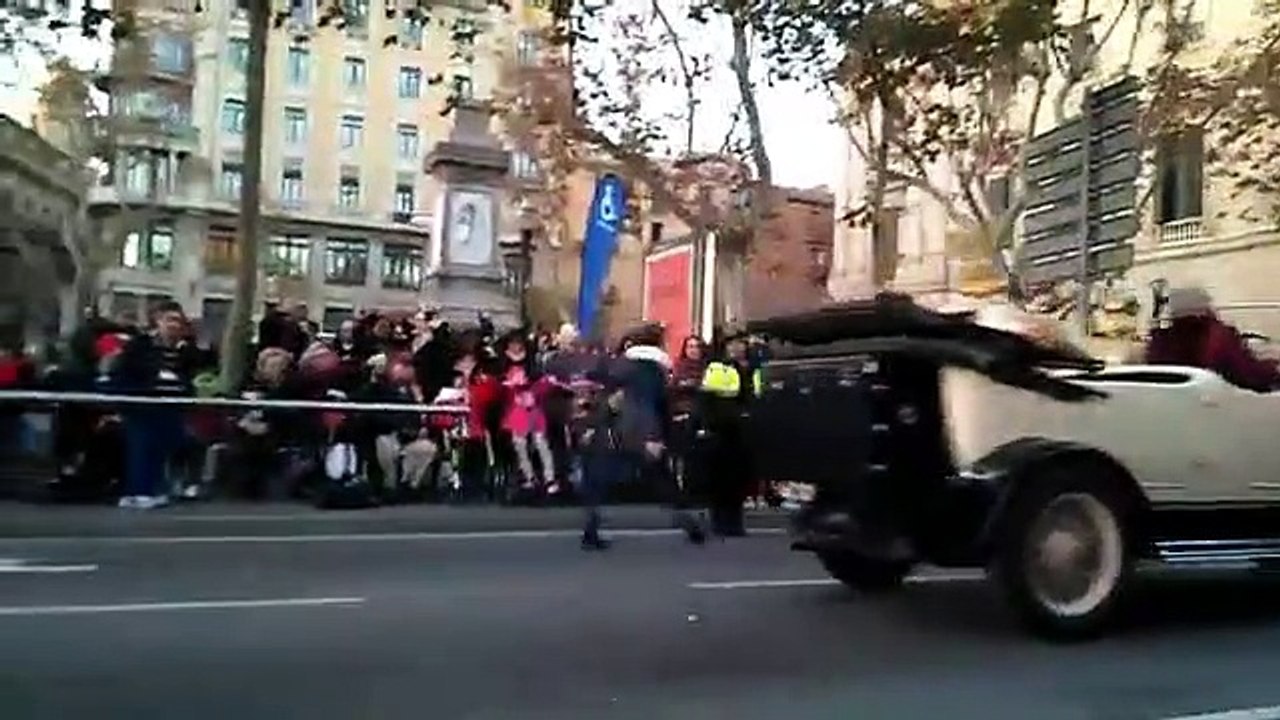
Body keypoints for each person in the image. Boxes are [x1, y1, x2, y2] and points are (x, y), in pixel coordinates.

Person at [110, 300, 198, 509]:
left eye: (178, 321)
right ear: (158, 321)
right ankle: (137, 491)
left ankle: (155, 488)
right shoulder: (139, 345)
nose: (174, 325)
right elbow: (124, 373)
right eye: (170, 320)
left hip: (172, 406)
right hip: (143, 405)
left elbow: (190, 376)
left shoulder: (186, 350)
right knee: (141, 447)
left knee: (162, 447)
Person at [1146, 286, 1280, 392]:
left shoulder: (1161, 342)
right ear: (1205, 308)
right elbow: (1247, 373)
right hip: (1225, 405)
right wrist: (1273, 369)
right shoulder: (1216, 335)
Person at [698, 329, 760, 537]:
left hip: (744, 430)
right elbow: (706, 399)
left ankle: (735, 521)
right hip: (721, 428)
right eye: (731, 344)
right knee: (721, 478)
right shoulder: (717, 368)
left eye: (740, 343)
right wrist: (706, 426)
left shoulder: (754, 368)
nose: (736, 348)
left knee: (740, 477)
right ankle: (720, 521)